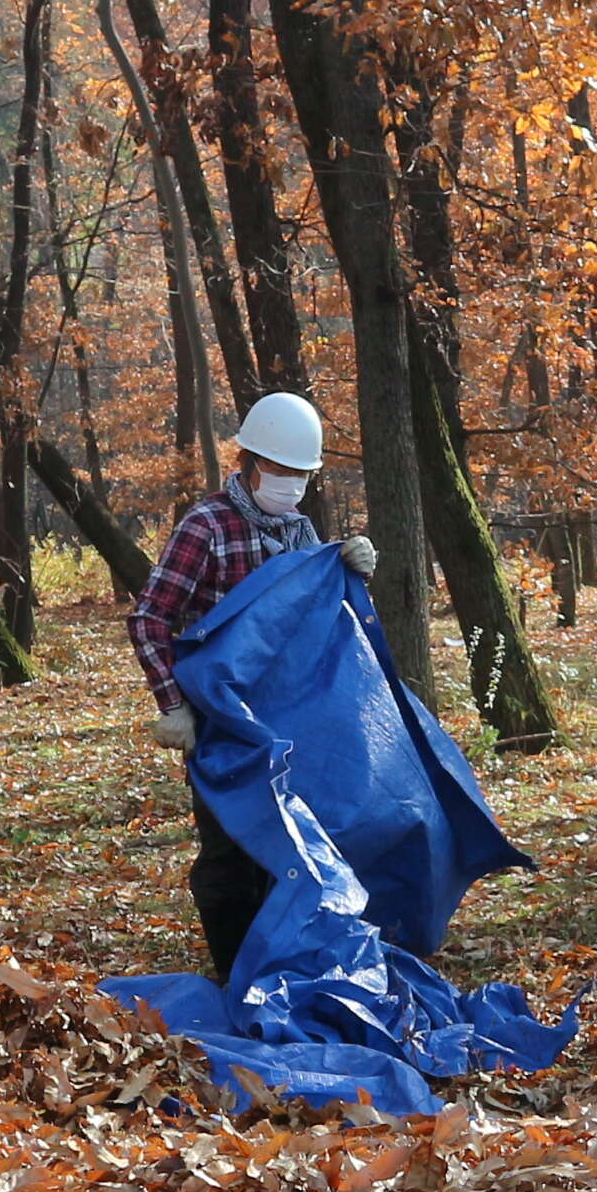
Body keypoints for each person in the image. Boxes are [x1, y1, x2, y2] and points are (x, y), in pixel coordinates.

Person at [131, 392, 380, 984]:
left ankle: (278, 970)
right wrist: (172, 705)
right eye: (282, 470)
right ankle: (234, 977)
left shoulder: (299, 531)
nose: (291, 483)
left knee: (288, 846)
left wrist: (344, 567)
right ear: (251, 462)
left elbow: (313, 618)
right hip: (219, 721)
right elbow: (149, 617)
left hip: (289, 718)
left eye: (301, 474)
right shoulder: (206, 527)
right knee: (228, 853)